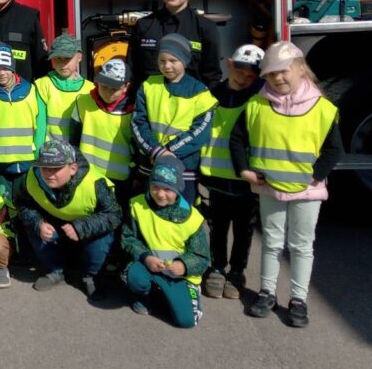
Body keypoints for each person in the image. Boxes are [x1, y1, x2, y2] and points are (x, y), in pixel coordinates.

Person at [231, 41, 343, 328]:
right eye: (270, 74)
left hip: (308, 191)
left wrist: (314, 176)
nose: (278, 78)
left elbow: (333, 149)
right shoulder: (256, 104)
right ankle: (267, 293)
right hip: (270, 187)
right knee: (271, 242)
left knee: (301, 245)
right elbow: (238, 139)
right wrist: (244, 169)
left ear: (300, 68)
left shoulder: (322, 108)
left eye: (284, 71)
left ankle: (298, 299)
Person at [198, 43, 265, 300]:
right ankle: (216, 267)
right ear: (229, 65)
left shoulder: (260, 98)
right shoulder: (212, 95)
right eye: (240, 71)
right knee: (217, 225)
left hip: (244, 178)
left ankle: (237, 271)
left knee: (243, 228)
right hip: (215, 174)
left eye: (251, 75)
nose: (244, 77)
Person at [13, 139, 121, 298]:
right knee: (33, 226)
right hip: (54, 224)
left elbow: (114, 215)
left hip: (85, 226)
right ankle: (55, 271)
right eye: (45, 168)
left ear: (73, 168)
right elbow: (21, 204)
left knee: (103, 237)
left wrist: (80, 227)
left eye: (56, 168)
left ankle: (91, 275)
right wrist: (37, 223)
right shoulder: (31, 177)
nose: (49, 174)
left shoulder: (95, 183)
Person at [122, 153, 209, 328]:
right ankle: (146, 295)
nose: (160, 194)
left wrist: (183, 265)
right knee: (135, 277)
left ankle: (177, 294)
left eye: (168, 189)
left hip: (179, 275)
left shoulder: (193, 218)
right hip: (149, 266)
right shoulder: (136, 205)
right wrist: (146, 258)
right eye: (155, 187)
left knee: (187, 321)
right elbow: (128, 239)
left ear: (178, 189)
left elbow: (202, 257)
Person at [131, 33, 217, 206]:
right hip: (150, 165)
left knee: (182, 218)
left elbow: (200, 132)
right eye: (162, 61)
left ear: (184, 61)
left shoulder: (200, 92)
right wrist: (157, 151)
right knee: (149, 217)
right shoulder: (149, 85)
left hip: (184, 168)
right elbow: (138, 123)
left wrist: (169, 152)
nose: (167, 66)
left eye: (173, 60)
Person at [127, 0, 221, 90]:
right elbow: (133, 71)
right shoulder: (144, 25)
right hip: (152, 104)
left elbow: (212, 76)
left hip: (190, 103)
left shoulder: (205, 27)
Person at [0, 42, 47, 201]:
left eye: (5, 68)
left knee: (27, 205)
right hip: (0, 168)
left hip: (28, 165)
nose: (1, 73)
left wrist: (38, 158)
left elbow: (41, 127)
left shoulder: (31, 92)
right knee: (4, 207)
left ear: (13, 67)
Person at [72, 57, 135, 211]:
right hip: (87, 175)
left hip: (121, 181)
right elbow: (73, 140)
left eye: (114, 89)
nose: (107, 92)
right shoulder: (82, 103)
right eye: (104, 86)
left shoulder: (133, 111)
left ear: (126, 86)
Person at [35, 33, 94, 142]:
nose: (62, 64)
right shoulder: (43, 85)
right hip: (51, 153)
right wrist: (39, 154)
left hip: (78, 153)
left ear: (79, 57)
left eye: (67, 58)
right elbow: (40, 125)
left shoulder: (90, 89)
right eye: (57, 58)